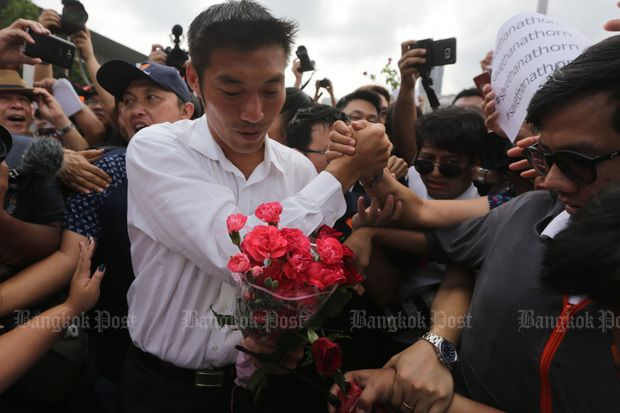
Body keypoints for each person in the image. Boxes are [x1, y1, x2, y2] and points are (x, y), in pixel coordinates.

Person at [122, 1, 390, 412]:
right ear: (194, 77)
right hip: (162, 389)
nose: (254, 113)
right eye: (232, 91)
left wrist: (285, 340)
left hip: (257, 388)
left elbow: (299, 281)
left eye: (271, 90)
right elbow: (240, 252)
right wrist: (343, 172)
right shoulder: (156, 149)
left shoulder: (298, 170)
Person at [331, 34, 620, 413]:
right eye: (543, 156)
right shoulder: (524, 212)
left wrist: (425, 398)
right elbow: (447, 251)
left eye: (577, 161)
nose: (551, 181)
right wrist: (436, 346)